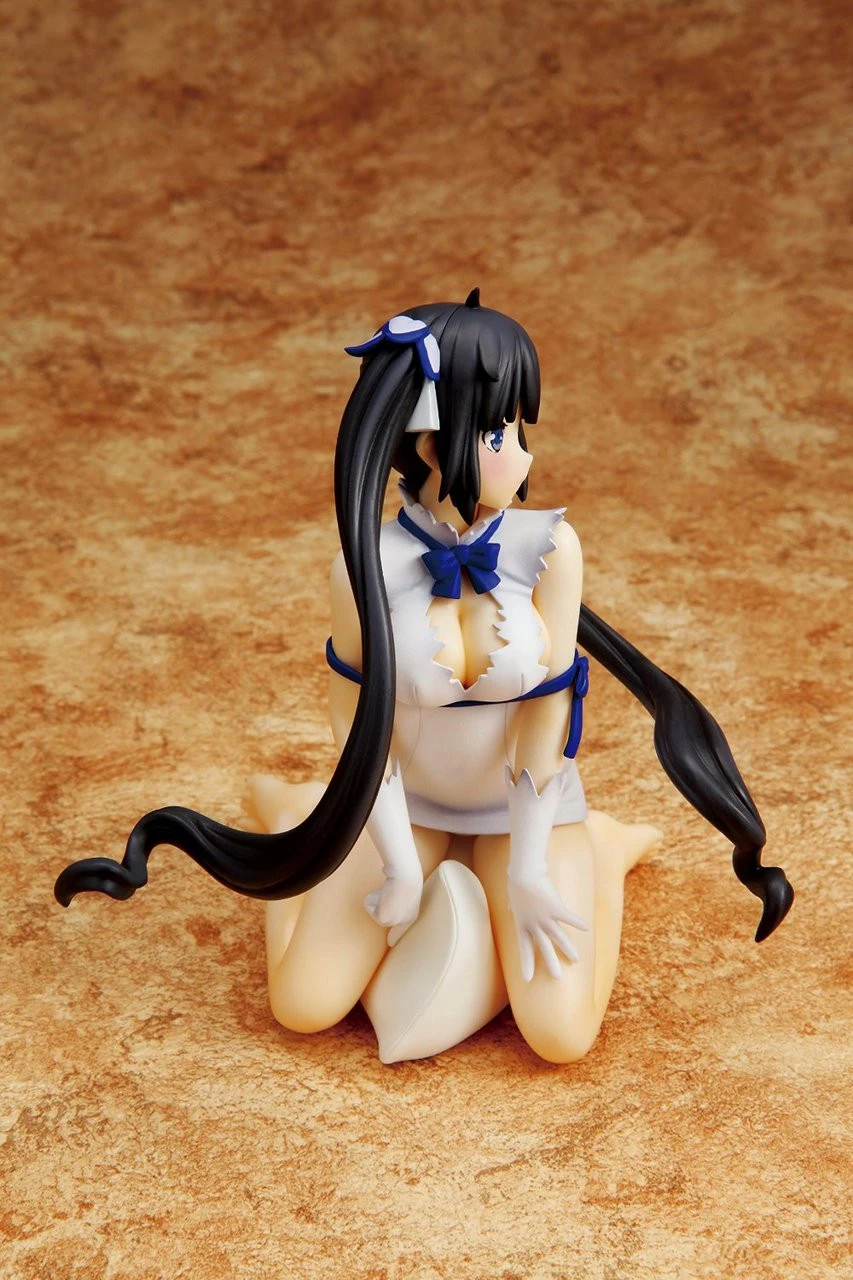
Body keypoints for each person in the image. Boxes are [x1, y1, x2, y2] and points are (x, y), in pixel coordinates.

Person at [54, 291, 793, 1064]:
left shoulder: (552, 550)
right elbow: (355, 723)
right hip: (404, 805)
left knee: (559, 1036)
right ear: (433, 441)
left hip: (522, 812)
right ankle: (303, 813)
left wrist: (530, 868)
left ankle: (599, 851)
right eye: (499, 432)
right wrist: (401, 869)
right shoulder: (365, 563)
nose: (522, 456)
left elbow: (545, 718)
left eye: (518, 431)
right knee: (302, 1005)